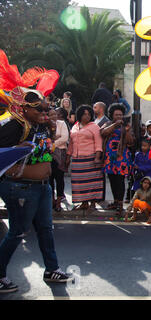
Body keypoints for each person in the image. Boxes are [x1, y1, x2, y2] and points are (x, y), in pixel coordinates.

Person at [0, 58, 73, 293]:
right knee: (17, 233)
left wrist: (50, 126)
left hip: (42, 187)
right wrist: (13, 170)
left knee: (45, 229)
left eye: (45, 107)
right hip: (21, 188)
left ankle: (52, 268)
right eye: (38, 108)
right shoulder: (14, 126)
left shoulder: (40, 124)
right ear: (23, 108)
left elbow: (47, 148)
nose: (44, 110)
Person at [66, 105, 104, 210]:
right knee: (79, 183)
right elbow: (71, 144)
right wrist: (68, 157)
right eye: (84, 114)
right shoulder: (75, 126)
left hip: (91, 158)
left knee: (93, 183)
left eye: (89, 114)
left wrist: (97, 157)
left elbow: (98, 143)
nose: (87, 116)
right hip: (77, 160)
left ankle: (92, 203)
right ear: (80, 115)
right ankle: (84, 203)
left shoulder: (94, 127)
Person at [100, 103, 135, 215]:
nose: (119, 117)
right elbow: (103, 132)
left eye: (120, 115)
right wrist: (115, 124)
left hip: (122, 156)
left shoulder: (127, 126)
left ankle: (120, 204)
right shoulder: (109, 123)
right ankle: (115, 201)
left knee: (120, 180)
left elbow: (131, 141)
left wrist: (126, 129)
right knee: (112, 179)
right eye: (116, 115)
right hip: (110, 156)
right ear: (112, 115)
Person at [49, 108, 70, 212]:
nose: (53, 116)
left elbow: (65, 138)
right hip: (48, 155)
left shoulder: (61, 123)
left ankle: (58, 201)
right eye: (51, 114)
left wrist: (52, 144)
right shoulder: (45, 125)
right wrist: (56, 140)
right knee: (49, 178)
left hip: (60, 154)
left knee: (59, 178)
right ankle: (51, 200)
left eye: (55, 114)